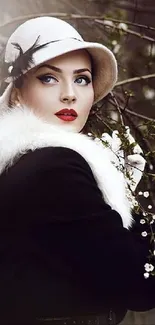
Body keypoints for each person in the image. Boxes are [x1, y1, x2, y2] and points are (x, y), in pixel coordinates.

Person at [0, 16, 154, 325]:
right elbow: (140, 287)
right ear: (16, 93)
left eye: (81, 79)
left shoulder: (23, 164)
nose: (69, 94)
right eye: (49, 78)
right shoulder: (54, 168)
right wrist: (126, 197)